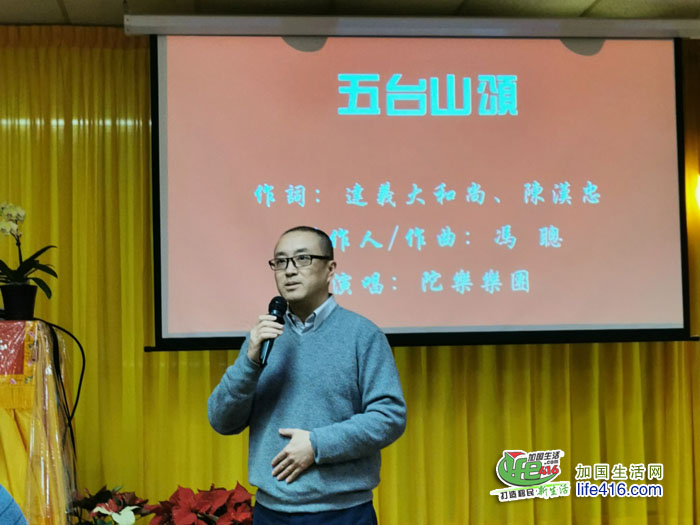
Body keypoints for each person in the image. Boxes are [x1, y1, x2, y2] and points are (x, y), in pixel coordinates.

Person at [207, 226, 406, 524]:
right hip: (270, 512)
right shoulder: (262, 337)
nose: (289, 271)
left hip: (343, 513)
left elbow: (389, 417)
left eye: (302, 259)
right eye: (281, 261)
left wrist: (317, 444)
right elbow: (222, 421)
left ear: (330, 269)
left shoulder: (362, 334)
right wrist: (249, 362)